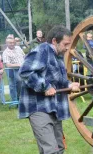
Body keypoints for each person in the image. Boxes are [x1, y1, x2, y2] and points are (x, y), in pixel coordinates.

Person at [18, 25, 79, 154]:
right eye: (65, 44)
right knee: (50, 150)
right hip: (38, 107)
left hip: (53, 107)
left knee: (59, 147)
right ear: (54, 41)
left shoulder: (58, 56)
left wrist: (69, 85)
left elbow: (58, 80)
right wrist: (45, 86)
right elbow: (25, 71)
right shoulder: (42, 51)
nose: (67, 48)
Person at [2, 37, 25, 101]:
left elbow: (24, 56)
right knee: (14, 84)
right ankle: (16, 100)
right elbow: (8, 65)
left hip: (23, 68)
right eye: (10, 43)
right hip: (13, 70)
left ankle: (24, 98)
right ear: (6, 43)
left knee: (26, 82)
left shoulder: (18, 48)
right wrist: (19, 65)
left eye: (13, 42)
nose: (12, 44)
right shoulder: (5, 52)